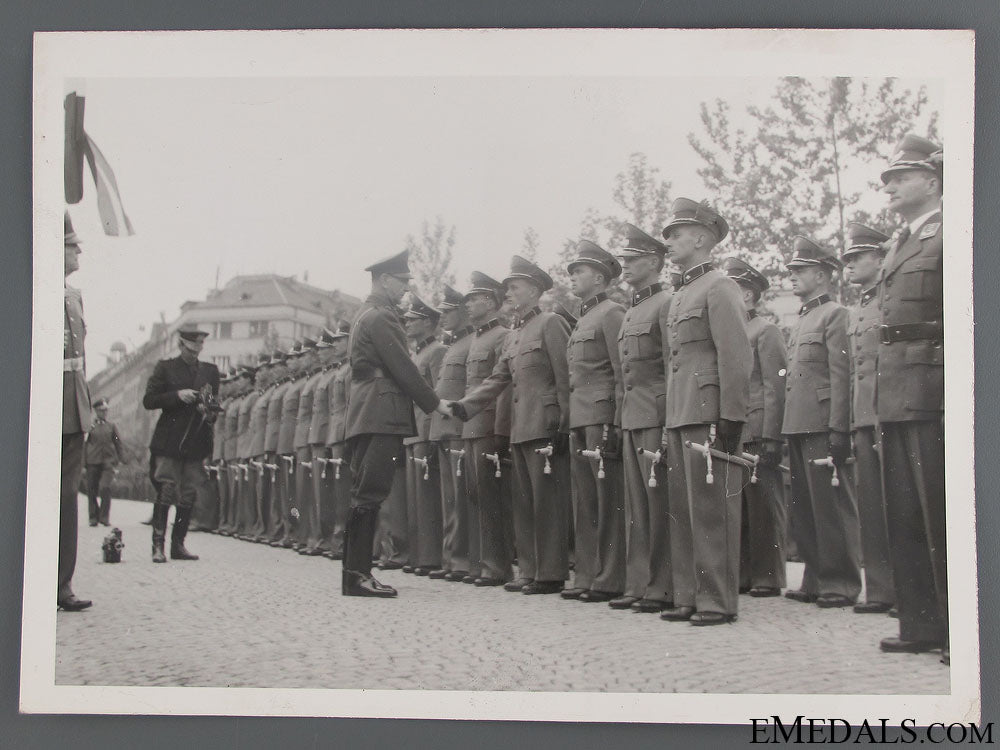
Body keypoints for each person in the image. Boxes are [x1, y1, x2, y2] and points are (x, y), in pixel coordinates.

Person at [449, 256, 572, 596]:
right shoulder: (515, 336)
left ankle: (550, 572)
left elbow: (565, 377)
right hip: (520, 426)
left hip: (545, 424)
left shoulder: (551, 324)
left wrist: (566, 423)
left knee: (546, 501)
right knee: (524, 502)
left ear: (534, 289)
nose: (509, 295)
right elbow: (496, 379)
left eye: (514, 288)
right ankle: (529, 569)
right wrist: (465, 407)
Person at [658, 199, 752, 626]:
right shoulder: (680, 294)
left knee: (712, 509)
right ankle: (688, 595)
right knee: (682, 508)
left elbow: (736, 355)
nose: (670, 242)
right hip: (681, 410)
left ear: (701, 238)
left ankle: (716, 600)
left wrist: (732, 416)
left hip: (708, 411)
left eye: (676, 234)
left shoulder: (719, 286)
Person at [875, 134, 947, 662]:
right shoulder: (898, 243)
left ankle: (958, 630)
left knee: (938, 510)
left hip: (931, 382)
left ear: (932, 181)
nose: (892, 186)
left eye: (902, 177)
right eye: (889, 180)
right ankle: (919, 624)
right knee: (903, 511)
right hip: (895, 386)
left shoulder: (952, 234)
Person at [343, 249, 443, 597]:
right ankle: (358, 576)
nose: (405, 290)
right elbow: (404, 368)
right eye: (402, 282)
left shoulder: (363, 313)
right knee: (371, 493)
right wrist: (435, 404)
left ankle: (355, 574)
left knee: (364, 493)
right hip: (382, 412)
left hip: (366, 409)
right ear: (385, 280)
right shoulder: (382, 317)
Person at [781, 236, 862, 608]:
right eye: (792, 271)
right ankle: (815, 578)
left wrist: (838, 428)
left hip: (821, 423)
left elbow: (841, 375)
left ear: (823, 274)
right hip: (798, 422)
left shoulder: (835, 314)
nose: (792, 277)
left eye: (800, 271)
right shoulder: (802, 319)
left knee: (830, 506)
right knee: (806, 507)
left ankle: (841, 583)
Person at [610, 225, 673, 613]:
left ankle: (662, 585)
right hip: (633, 416)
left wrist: (667, 422)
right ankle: (638, 582)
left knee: (658, 501)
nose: (626, 267)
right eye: (624, 260)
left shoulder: (666, 304)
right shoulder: (632, 309)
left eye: (633, 260)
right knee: (636, 505)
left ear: (654, 262)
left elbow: (671, 366)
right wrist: (619, 420)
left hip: (656, 414)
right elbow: (623, 375)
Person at [563, 241, 627, 603]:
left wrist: (615, 422)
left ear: (600, 277)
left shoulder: (612, 313)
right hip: (580, 416)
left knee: (608, 500)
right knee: (585, 501)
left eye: (579, 271)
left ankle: (610, 576)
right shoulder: (584, 318)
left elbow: (621, 372)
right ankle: (587, 575)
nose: (572, 277)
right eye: (572, 272)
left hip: (601, 416)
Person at [722, 257, 788, 598]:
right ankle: (746, 573)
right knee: (741, 503)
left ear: (747, 296)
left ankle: (768, 575)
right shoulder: (731, 331)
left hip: (759, 426)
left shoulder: (766, 330)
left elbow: (775, 387)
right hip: (737, 426)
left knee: (764, 503)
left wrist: (772, 434)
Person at [841, 223, 896, 615]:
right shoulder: (856, 310)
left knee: (899, 503)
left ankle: (908, 592)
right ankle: (879, 590)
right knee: (872, 508)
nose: (850, 265)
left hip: (889, 411)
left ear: (880, 258)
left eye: (858, 257)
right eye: (847, 259)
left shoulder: (892, 300)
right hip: (862, 416)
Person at [142, 322, 221, 563]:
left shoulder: (210, 371)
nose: (196, 350)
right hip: (170, 440)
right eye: (191, 346)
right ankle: (158, 546)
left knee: (188, 494)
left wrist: (208, 411)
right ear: (181, 344)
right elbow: (149, 400)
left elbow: (214, 406)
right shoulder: (165, 368)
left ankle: (178, 544)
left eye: (199, 345)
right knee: (167, 490)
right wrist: (177, 396)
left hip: (196, 440)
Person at [461, 272, 513, 586]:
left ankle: (498, 566)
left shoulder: (502, 336)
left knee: (491, 496)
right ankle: (481, 562)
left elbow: (503, 386)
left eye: (474, 299)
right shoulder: (477, 338)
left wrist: (501, 431)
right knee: (474, 494)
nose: (468, 304)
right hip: (471, 425)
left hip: (489, 425)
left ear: (491, 302)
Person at [428, 285, 476, 581]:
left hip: (459, 427)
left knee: (461, 497)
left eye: (448, 311)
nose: (443, 317)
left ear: (461, 311)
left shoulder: (472, 342)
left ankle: (461, 559)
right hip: (444, 428)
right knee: (448, 498)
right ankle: (450, 558)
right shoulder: (451, 347)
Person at [59, 212, 93, 611]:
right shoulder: (33, 290)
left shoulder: (74, 296)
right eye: (72, 245)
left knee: (68, 498)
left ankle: (62, 584)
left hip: (74, 409)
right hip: (46, 407)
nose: (78, 250)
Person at [401, 296, 447, 575]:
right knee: (416, 497)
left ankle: (432, 556)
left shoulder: (437, 351)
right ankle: (419, 555)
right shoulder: (416, 354)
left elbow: (437, 396)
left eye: (412, 319)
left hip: (427, 429)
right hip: (413, 430)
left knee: (429, 497)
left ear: (428, 323)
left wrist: (432, 435)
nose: (407, 323)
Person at [308, 327, 343, 556]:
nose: (319, 353)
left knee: (338, 491)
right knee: (323, 493)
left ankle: (337, 540)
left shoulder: (341, 372)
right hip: (325, 435)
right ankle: (324, 538)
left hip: (337, 433)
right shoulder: (327, 375)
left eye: (324, 349)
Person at [322, 325, 352, 558]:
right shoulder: (342, 369)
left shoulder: (352, 368)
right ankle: (339, 541)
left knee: (345, 492)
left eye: (340, 340)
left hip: (345, 434)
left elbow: (352, 407)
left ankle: (344, 542)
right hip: (337, 434)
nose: (335, 345)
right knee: (339, 492)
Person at [84, 397, 124, 527]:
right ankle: (93, 517)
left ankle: (104, 517)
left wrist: (120, 459)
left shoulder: (112, 426)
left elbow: (118, 443)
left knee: (105, 487)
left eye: (106, 410)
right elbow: (84, 445)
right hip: (92, 461)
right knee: (91, 489)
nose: (104, 413)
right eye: (101, 410)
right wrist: (83, 463)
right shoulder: (90, 427)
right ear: (96, 411)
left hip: (108, 461)